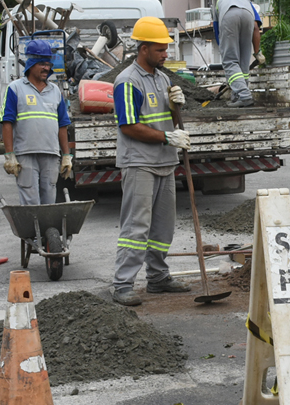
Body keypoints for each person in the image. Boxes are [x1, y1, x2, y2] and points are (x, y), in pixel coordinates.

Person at [110, 16, 192, 306]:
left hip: (164, 162)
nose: (165, 54)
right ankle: (122, 284)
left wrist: (176, 107)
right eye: (160, 49)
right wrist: (167, 138)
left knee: (162, 227)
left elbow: (167, 118)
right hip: (140, 163)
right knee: (136, 227)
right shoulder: (127, 82)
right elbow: (129, 127)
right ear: (143, 49)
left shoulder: (163, 78)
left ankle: (158, 277)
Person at [0, 39, 72, 205]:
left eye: (48, 63)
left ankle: (47, 231)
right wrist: (10, 155)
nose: (46, 68)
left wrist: (66, 155)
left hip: (51, 154)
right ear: (31, 64)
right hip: (25, 154)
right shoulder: (15, 88)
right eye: (42, 64)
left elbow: (62, 124)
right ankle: (35, 232)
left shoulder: (55, 91)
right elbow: (7, 123)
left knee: (49, 202)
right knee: (31, 202)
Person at [211, 0, 262, 107]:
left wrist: (223, 50)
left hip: (229, 16)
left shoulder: (218, 2)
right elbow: (256, 27)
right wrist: (257, 52)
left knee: (230, 61)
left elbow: (217, 29)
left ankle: (244, 96)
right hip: (248, 17)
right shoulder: (247, 2)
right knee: (244, 61)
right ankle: (237, 97)